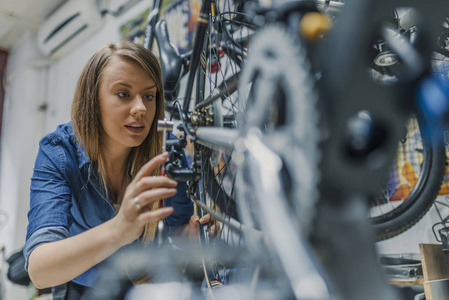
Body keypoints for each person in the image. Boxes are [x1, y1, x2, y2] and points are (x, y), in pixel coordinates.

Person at [23, 41, 216, 299]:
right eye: (123, 94)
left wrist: (193, 234)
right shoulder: (58, 152)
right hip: (78, 280)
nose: (141, 109)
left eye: (149, 95)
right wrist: (118, 230)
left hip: (137, 280)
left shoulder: (165, 154)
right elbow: (40, 269)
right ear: (93, 100)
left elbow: (178, 228)